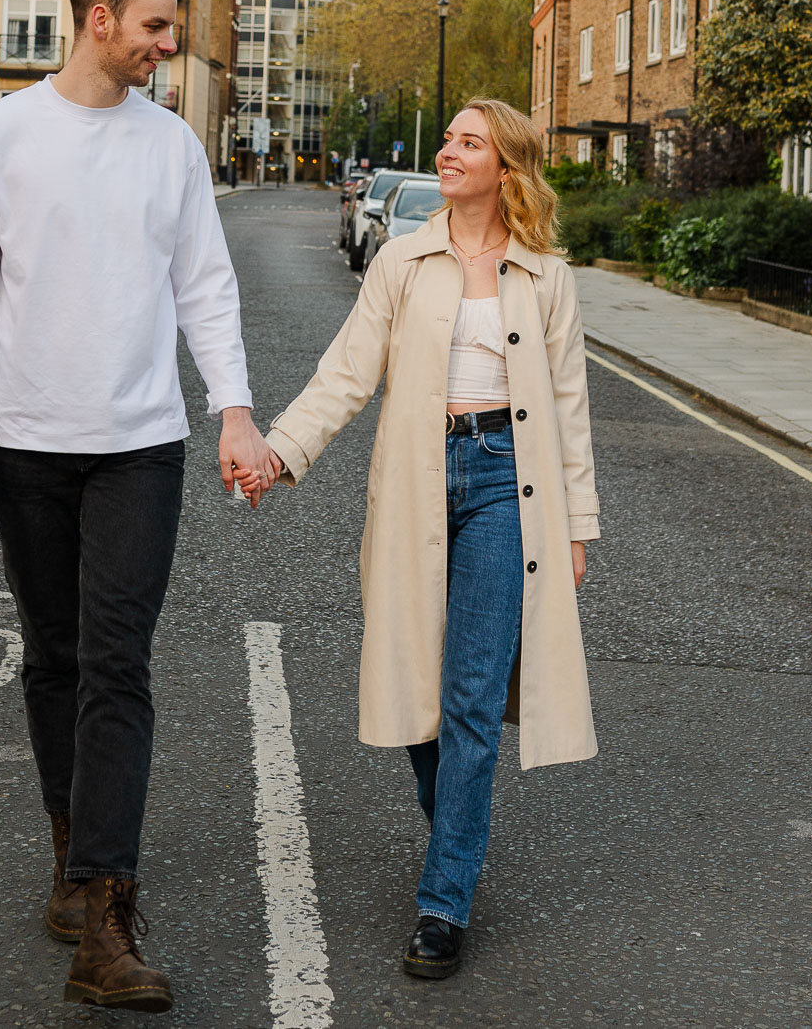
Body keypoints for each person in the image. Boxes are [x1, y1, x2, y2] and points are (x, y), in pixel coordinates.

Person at [0, 0, 278, 1016]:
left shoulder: (170, 147)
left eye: (172, 29)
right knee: (56, 657)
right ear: (100, 21)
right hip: (24, 438)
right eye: (158, 27)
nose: (171, 46)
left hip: (139, 442)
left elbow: (206, 285)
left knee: (117, 661)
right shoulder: (1, 137)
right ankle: (74, 855)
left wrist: (234, 407)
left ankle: (109, 915)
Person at [265, 98, 599, 980]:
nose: (446, 153)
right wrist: (279, 451)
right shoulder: (402, 260)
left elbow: (567, 409)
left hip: (505, 485)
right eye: (448, 140)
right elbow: (346, 371)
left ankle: (443, 900)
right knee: (417, 693)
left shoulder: (545, 276)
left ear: (505, 166)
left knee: (472, 697)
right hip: (417, 480)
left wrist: (576, 525)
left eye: (466, 143)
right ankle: (458, 827)